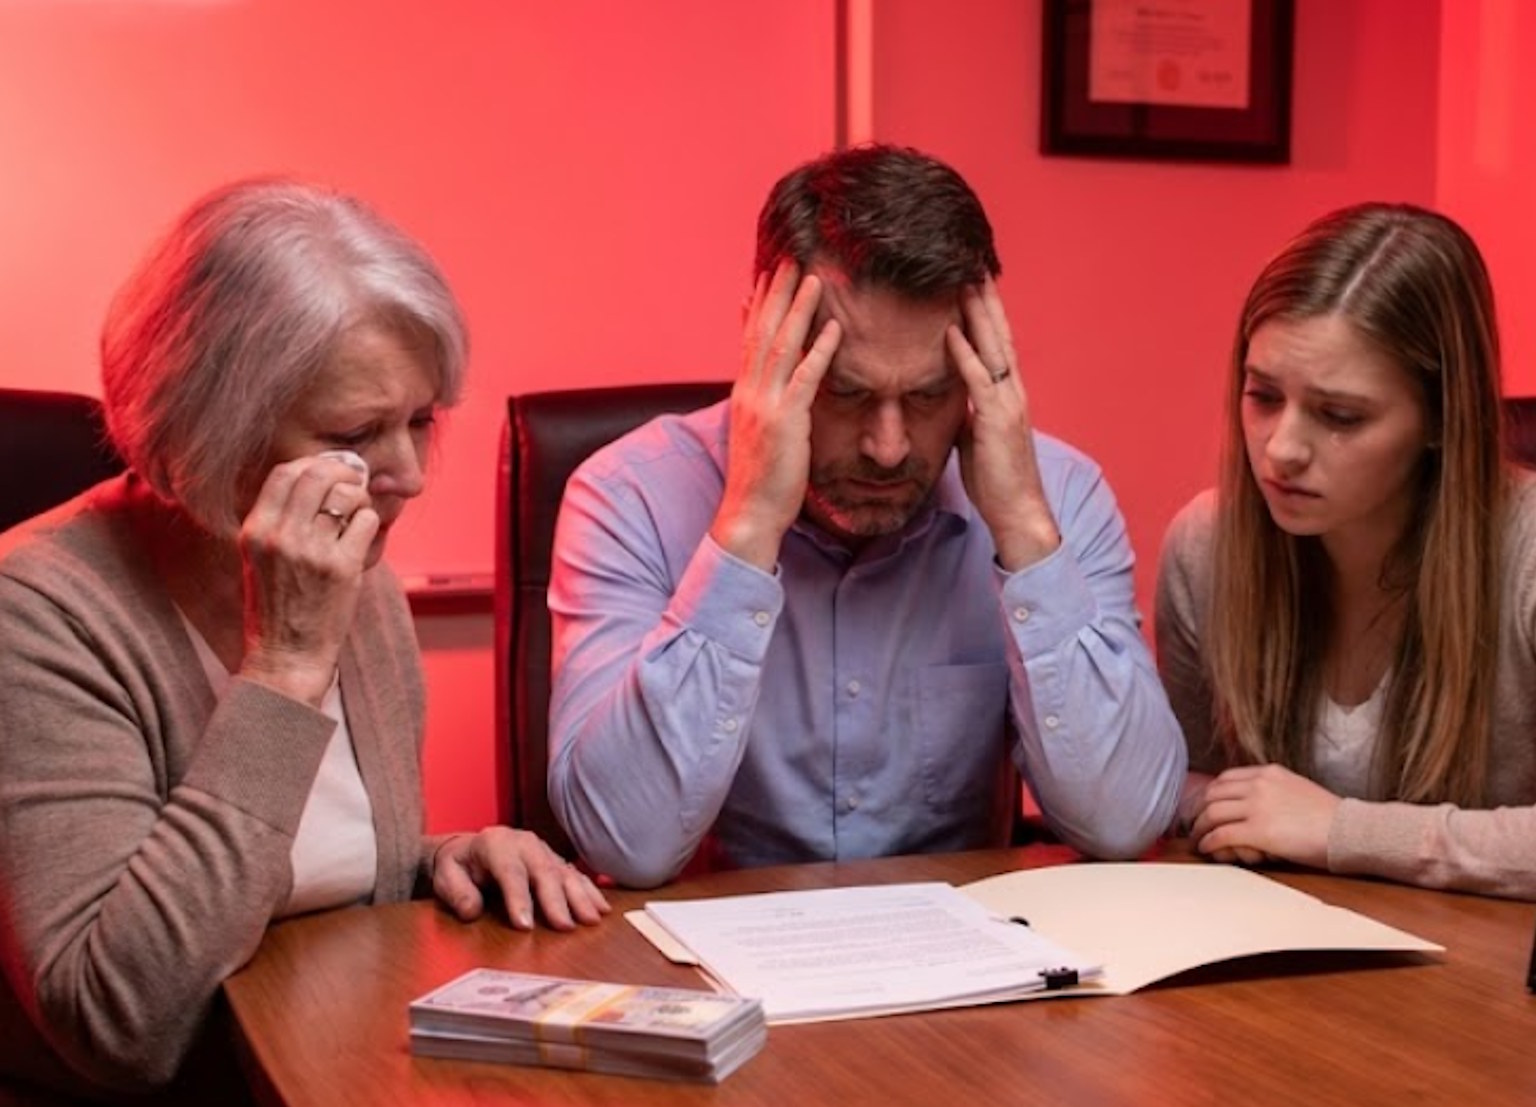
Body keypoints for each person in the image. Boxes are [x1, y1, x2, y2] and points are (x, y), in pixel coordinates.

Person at [0, 179, 609, 1104]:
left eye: (420, 421)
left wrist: (440, 858)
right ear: (206, 437)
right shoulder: (35, 612)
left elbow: (298, 877)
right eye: (357, 433)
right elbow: (122, 1024)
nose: (406, 474)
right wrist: (282, 666)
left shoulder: (359, 586)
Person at [546, 144, 1186, 888]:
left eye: (927, 396)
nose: (889, 448)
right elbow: (626, 843)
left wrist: (1024, 536)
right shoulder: (629, 497)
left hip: (968, 978)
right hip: (709, 974)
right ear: (763, 347)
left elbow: (1126, 818)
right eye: (845, 395)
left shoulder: (1062, 497)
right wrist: (749, 525)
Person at [1156, 201, 1536, 898]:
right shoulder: (1205, 547)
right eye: (1262, 395)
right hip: (1298, 969)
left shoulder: (1528, 555)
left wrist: (1341, 830)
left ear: (1442, 420)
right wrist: (1205, 805)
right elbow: (1187, 780)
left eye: (1340, 416)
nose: (1282, 449)